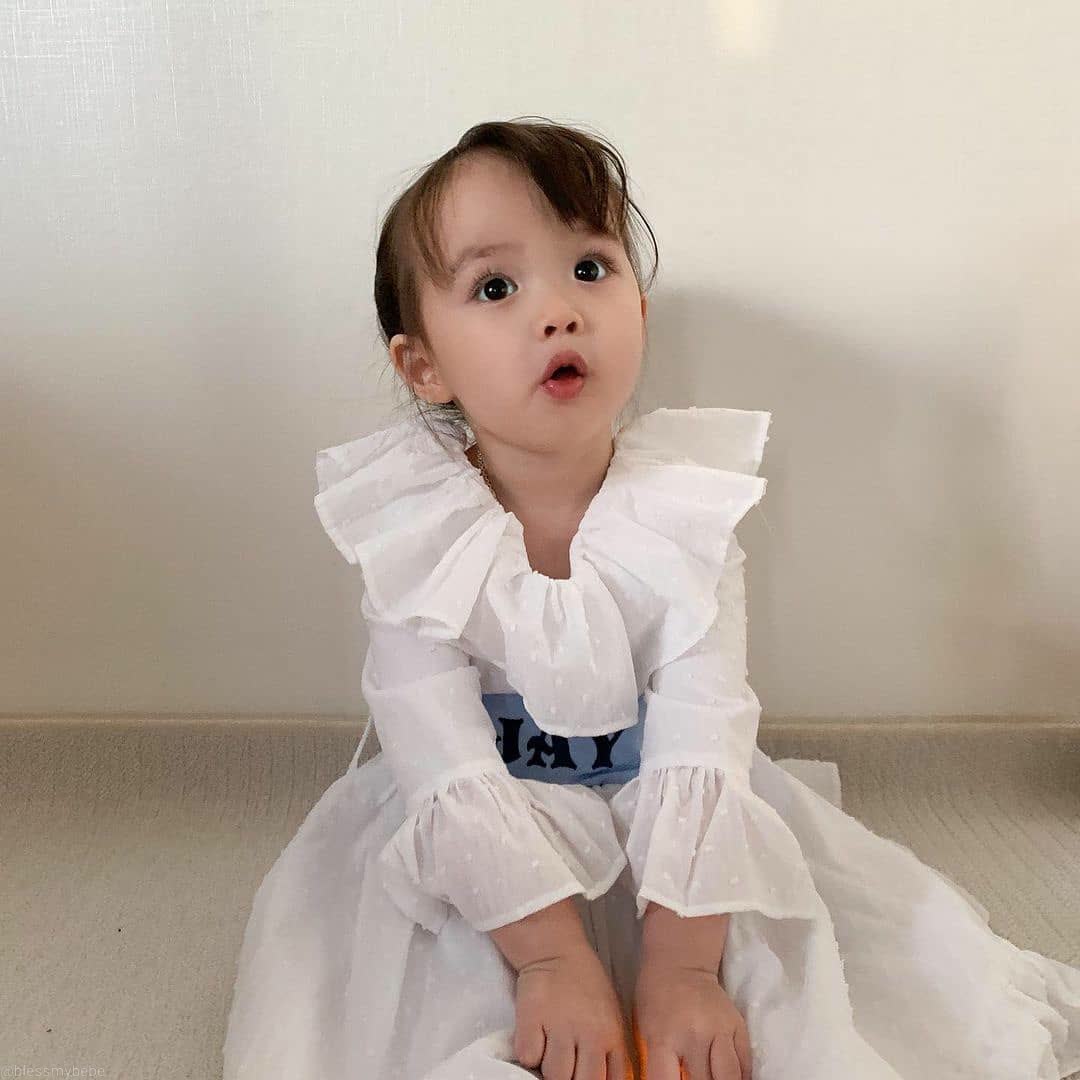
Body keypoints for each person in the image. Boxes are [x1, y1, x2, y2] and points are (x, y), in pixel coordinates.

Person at [222, 117, 1080, 1080]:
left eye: (590, 269)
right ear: (424, 365)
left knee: (794, 998)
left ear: (638, 309)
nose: (559, 311)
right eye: (496, 288)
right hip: (487, 826)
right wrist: (550, 958)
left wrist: (683, 967)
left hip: (669, 834)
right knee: (419, 998)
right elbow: (438, 752)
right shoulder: (415, 533)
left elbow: (702, 727)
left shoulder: (684, 514)